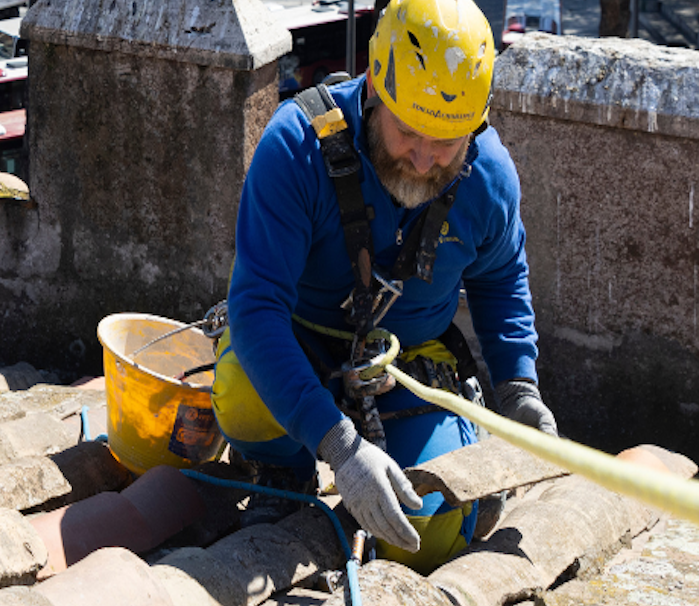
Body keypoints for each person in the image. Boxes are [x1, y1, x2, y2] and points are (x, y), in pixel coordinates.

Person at [211, 0, 557, 574]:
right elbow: (256, 309)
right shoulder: (296, 147)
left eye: (446, 141)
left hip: (407, 363)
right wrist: (341, 450)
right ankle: (283, 470)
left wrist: (520, 390)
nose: (422, 160)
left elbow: (500, 281)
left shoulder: (488, 177)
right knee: (244, 391)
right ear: (374, 88)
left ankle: (444, 440)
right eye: (407, 131)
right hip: (300, 343)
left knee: (428, 524)